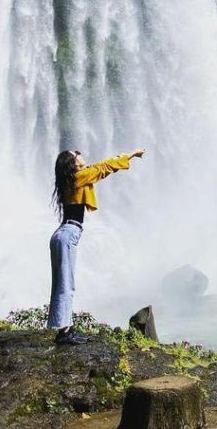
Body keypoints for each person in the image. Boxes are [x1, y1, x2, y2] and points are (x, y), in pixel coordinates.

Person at [48, 147, 144, 345]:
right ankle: (64, 333)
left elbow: (96, 167)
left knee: (62, 283)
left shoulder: (73, 178)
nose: (79, 153)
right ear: (72, 164)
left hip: (62, 233)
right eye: (76, 154)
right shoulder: (78, 177)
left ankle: (65, 328)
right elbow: (103, 167)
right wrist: (131, 155)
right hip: (68, 234)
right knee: (66, 285)